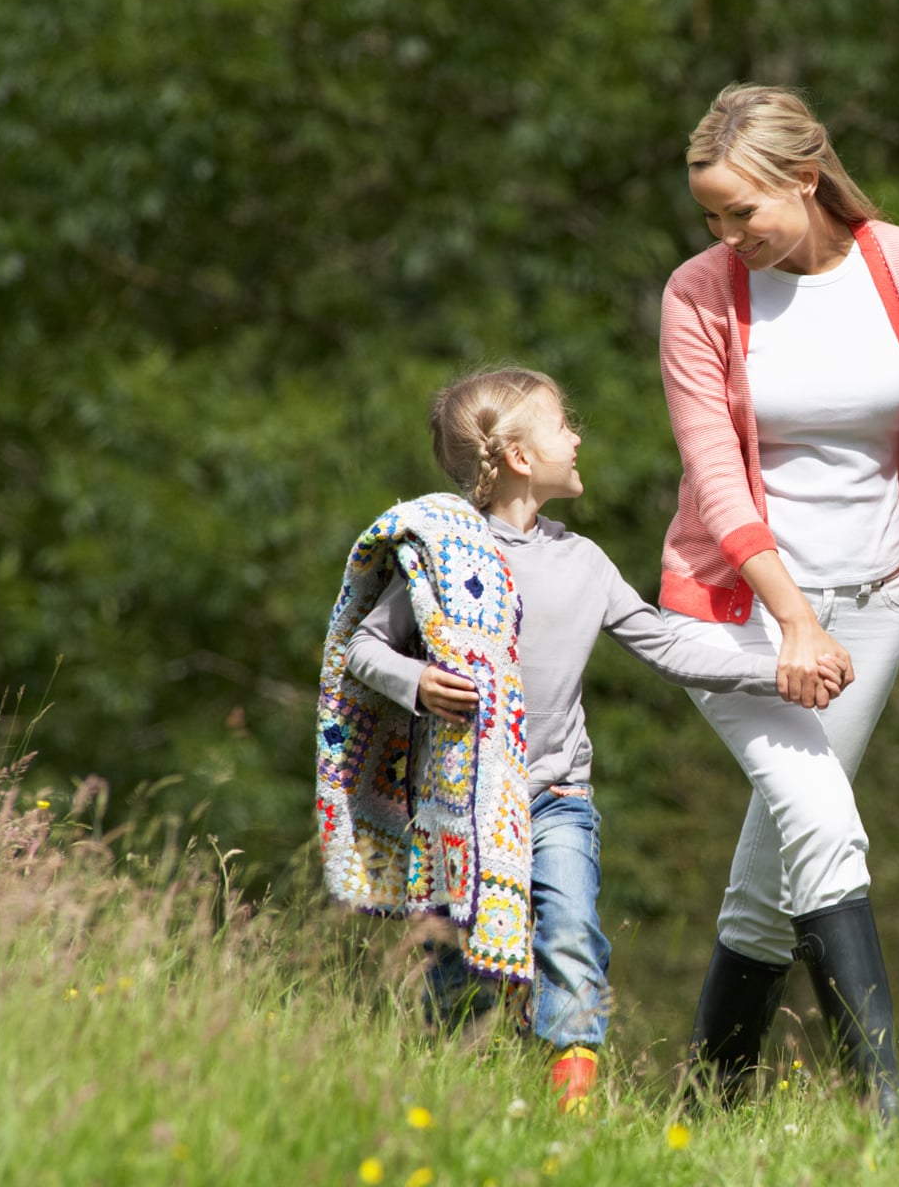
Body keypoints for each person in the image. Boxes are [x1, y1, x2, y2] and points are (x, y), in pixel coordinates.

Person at [317, 367, 796, 1115]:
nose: (577, 436)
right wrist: (418, 683)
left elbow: (667, 649)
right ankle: (461, 1097)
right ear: (516, 455)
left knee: (571, 932)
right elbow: (364, 650)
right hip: (459, 808)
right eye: (561, 423)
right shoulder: (447, 557)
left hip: (558, 798)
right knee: (455, 963)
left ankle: (571, 1112)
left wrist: (778, 672)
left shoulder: (585, 561)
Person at [655, 83, 899, 1121]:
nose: (728, 235)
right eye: (712, 217)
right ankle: (893, 1118)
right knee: (827, 826)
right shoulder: (698, 294)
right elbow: (714, 472)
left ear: (808, 177)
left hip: (867, 615)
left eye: (745, 211)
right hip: (734, 616)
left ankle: (702, 1115)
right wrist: (789, 617)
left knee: (771, 874)